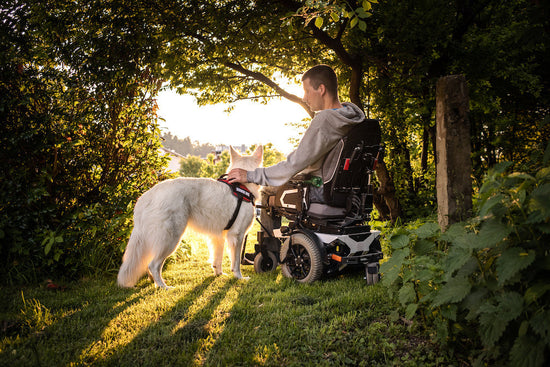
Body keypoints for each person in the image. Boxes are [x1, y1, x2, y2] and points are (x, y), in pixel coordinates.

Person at [227, 64, 365, 196]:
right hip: (348, 192)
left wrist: (250, 175)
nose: (304, 98)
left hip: (317, 188)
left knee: (266, 194)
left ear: (321, 90)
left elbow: (294, 163)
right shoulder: (351, 117)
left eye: (306, 91)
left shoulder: (325, 120)